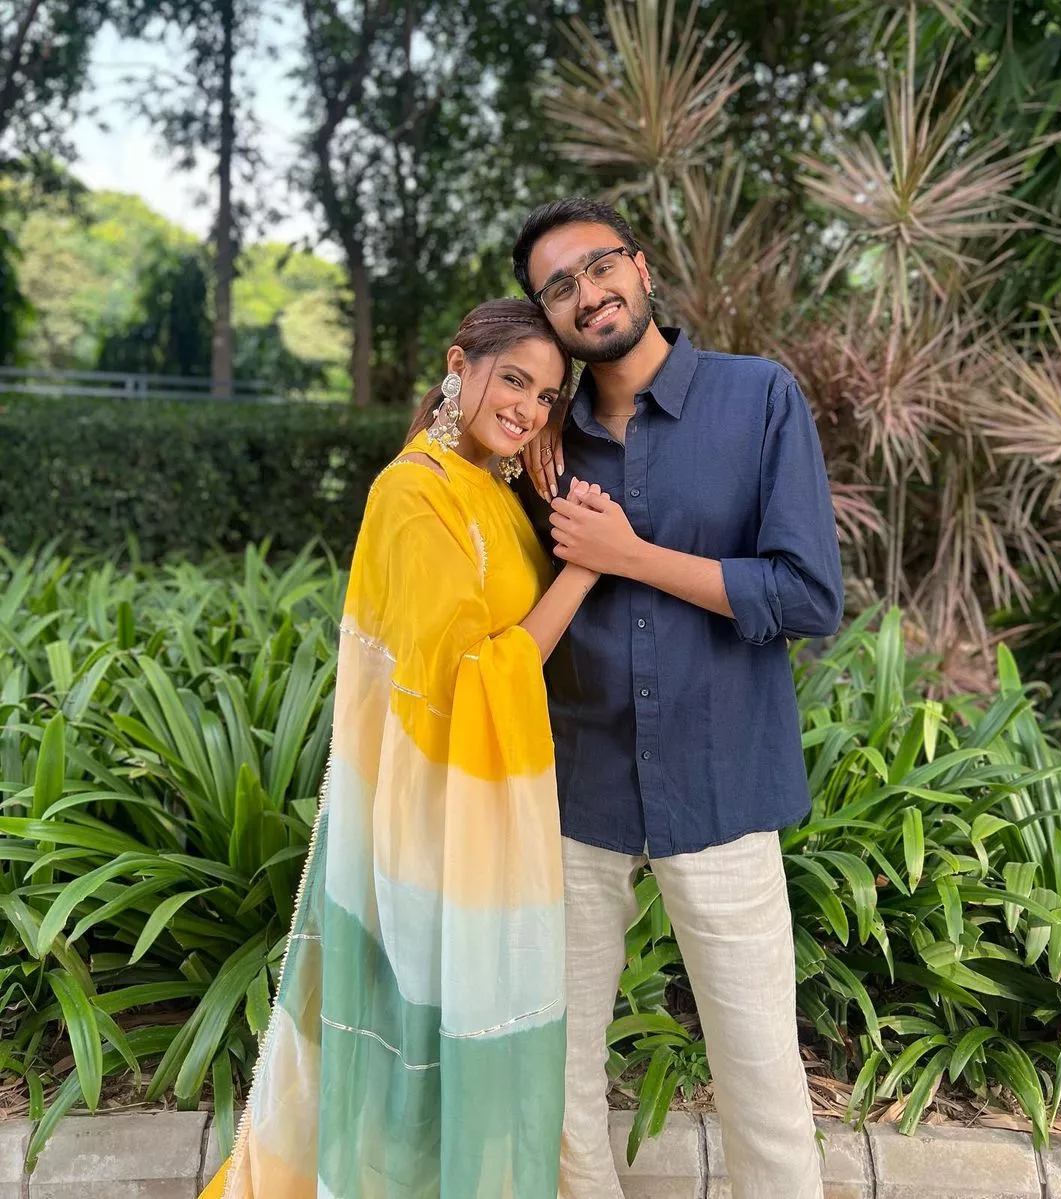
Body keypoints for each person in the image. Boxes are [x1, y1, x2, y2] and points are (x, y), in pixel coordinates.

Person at [200, 298, 605, 1199]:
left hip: (482, 809)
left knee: (459, 1044)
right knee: (417, 1046)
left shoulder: (489, 487)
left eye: (546, 396)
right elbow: (465, 680)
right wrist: (583, 571)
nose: (528, 408)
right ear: (459, 365)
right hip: (430, 818)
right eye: (513, 380)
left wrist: (547, 495)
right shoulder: (414, 492)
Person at [510, 198, 844, 1199]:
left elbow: (806, 595)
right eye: (558, 287)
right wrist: (516, 430)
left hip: (721, 776)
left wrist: (630, 554)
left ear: (642, 267)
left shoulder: (758, 397)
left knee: (761, 1070)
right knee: (553, 1066)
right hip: (576, 786)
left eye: (599, 265)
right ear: (545, 316)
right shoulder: (537, 437)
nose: (587, 293)